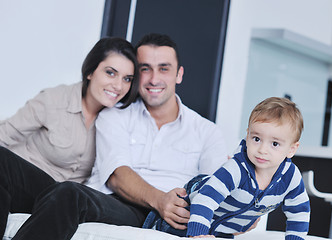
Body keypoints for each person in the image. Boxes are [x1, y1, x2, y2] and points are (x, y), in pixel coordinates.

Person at [9, 33, 228, 240]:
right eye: (145, 69)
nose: (154, 79)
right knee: (69, 192)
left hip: (165, 214)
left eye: (164, 69)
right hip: (118, 202)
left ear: (178, 74)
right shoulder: (114, 114)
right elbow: (117, 176)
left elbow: (220, 189)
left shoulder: (207, 132)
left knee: (68, 192)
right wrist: (160, 200)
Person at [0, 37, 139, 238]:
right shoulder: (54, 100)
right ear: (91, 72)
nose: (118, 85)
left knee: (66, 194)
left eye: (127, 79)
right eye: (111, 73)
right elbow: (4, 135)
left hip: (61, 198)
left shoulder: (118, 123)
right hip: (27, 187)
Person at [144, 97, 311, 239]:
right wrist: (198, 235)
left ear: (292, 149)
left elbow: (299, 213)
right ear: (247, 135)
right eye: (256, 139)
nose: (262, 149)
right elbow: (204, 199)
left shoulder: (291, 178)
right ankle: (153, 223)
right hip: (188, 219)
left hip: (222, 231)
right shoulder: (236, 169)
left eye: (275, 143)